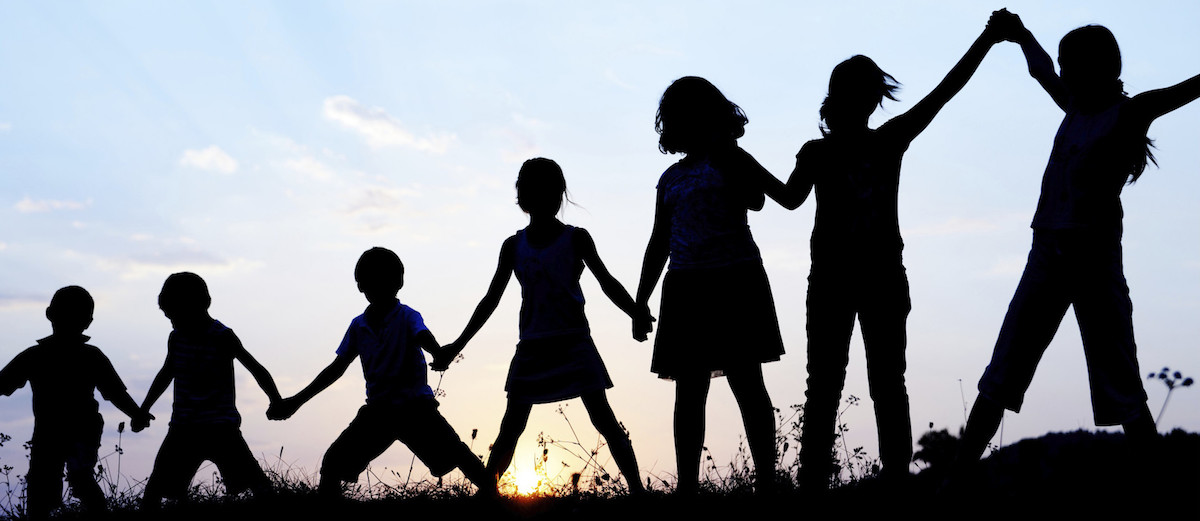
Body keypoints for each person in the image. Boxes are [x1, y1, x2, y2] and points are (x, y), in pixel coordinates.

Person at [958, 10, 1200, 464]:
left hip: (1093, 261)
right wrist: (1020, 33)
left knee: (1121, 382)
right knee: (1005, 366)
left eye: (1072, 65)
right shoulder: (1073, 107)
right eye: (1064, 65)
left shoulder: (1128, 113)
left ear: (1098, 68)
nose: (1064, 72)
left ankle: (1161, 486)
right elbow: (1041, 70)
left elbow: (1188, 90)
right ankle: (956, 474)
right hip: (1047, 254)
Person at [789, 16, 1007, 490]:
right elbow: (944, 92)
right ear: (867, 99)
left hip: (857, 282)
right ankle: (881, 483)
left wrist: (987, 40)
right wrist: (987, 40)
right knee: (877, 385)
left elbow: (784, 198)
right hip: (857, 281)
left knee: (842, 386)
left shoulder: (839, 149)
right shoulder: (866, 144)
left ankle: (842, 484)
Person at [436, 158, 647, 494]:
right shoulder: (513, 246)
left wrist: (635, 311)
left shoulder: (576, 239)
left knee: (604, 420)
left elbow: (607, 282)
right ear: (523, 198)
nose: (539, 197)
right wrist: (456, 345)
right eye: (532, 190)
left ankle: (638, 491)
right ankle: (487, 495)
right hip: (533, 348)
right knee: (511, 426)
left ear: (558, 194)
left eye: (546, 190)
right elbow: (490, 300)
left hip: (574, 344)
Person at [634, 76, 796, 495]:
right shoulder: (670, 178)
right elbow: (658, 241)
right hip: (686, 287)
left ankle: (767, 482)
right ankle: (687, 487)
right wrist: (640, 300)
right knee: (689, 392)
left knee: (747, 382)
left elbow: (762, 199)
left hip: (735, 280)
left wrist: (728, 157)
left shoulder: (732, 158)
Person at [267, 247, 495, 497]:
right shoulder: (358, 326)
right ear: (360, 286)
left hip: (416, 409)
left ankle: (493, 498)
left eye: (383, 279)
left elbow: (423, 336)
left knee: (458, 454)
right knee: (333, 462)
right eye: (371, 280)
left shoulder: (407, 315)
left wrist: (437, 353)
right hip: (379, 413)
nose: (377, 286)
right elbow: (336, 369)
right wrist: (296, 401)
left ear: (398, 282)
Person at [0, 286, 152, 518]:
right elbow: (115, 393)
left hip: (57, 431)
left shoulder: (35, 355)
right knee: (75, 480)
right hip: (75, 430)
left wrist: (137, 414)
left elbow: (3, 384)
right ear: (89, 321)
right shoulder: (90, 355)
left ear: (49, 313)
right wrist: (136, 414)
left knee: (47, 484)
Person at [137, 272, 281, 508]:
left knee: (256, 484)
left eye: (174, 314)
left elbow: (255, 368)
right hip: (183, 428)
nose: (172, 321)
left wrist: (275, 399)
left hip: (221, 428)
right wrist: (144, 408)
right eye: (168, 316)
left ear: (196, 306)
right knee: (157, 487)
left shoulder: (222, 336)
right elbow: (166, 373)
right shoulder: (176, 338)